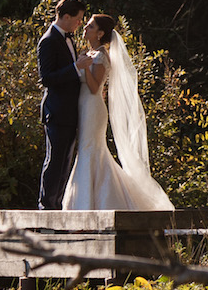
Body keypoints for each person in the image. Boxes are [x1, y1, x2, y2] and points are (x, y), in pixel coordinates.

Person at [61, 13, 173, 210]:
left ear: (100, 33)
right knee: (89, 150)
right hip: (83, 105)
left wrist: (85, 68)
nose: (85, 29)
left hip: (92, 108)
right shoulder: (89, 54)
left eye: (90, 26)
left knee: (90, 149)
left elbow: (95, 88)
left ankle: (88, 204)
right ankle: (89, 200)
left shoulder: (102, 55)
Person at [38, 0, 86, 210]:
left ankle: (55, 204)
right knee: (55, 159)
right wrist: (76, 67)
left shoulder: (68, 38)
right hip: (56, 111)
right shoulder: (49, 40)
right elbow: (46, 77)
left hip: (69, 110)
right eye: (78, 19)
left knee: (65, 161)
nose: (79, 24)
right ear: (66, 17)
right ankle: (46, 206)